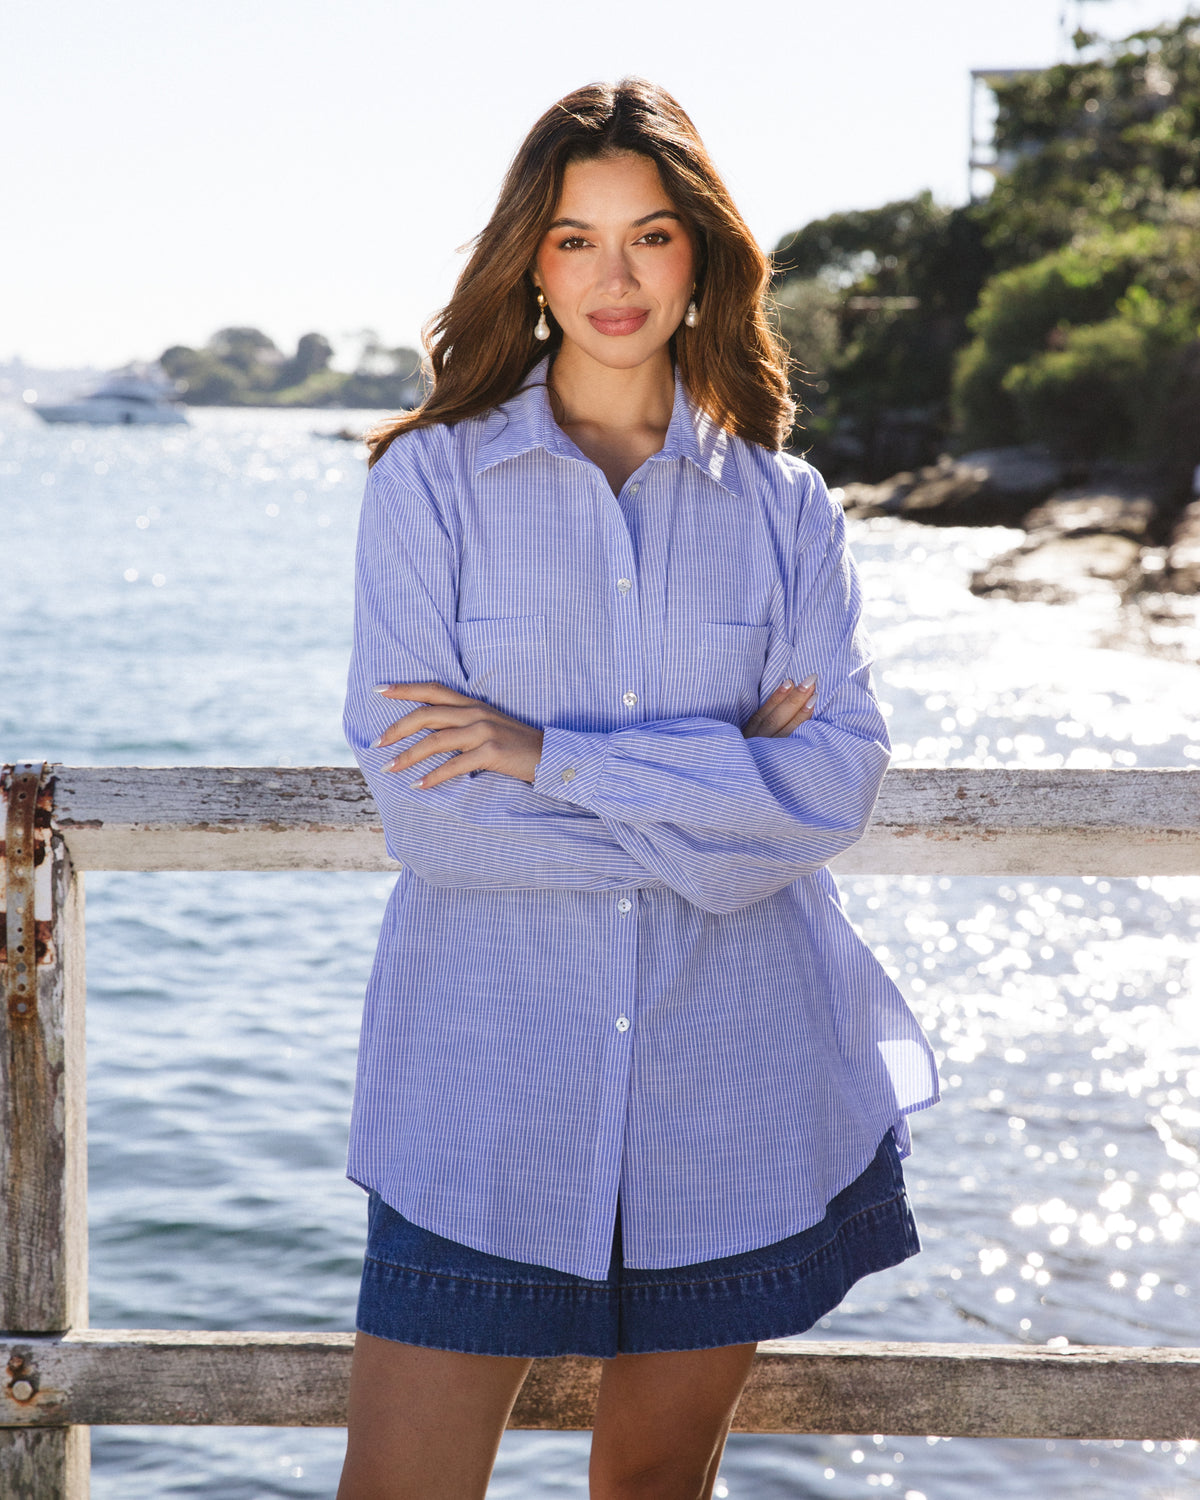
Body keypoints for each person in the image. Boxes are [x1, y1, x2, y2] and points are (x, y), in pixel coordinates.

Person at [338, 78, 938, 1500]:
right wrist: (729, 783)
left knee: (657, 1486)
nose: (615, 277)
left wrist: (544, 754)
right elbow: (427, 815)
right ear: (528, 264)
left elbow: (835, 788)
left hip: (731, 1090)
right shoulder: (428, 488)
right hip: (484, 1095)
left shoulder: (786, 511)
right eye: (575, 239)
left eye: (651, 236)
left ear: (701, 256)